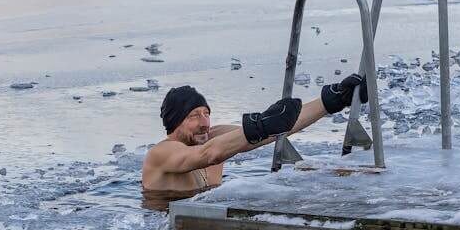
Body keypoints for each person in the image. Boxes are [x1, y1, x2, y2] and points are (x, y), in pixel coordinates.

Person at [141, 74, 368, 193]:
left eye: (206, 113)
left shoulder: (211, 137)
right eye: (193, 116)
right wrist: (261, 125)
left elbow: (277, 130)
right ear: (174, 121)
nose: (204, 123)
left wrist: (333, 101)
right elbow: (208, 155)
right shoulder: (162, 153)